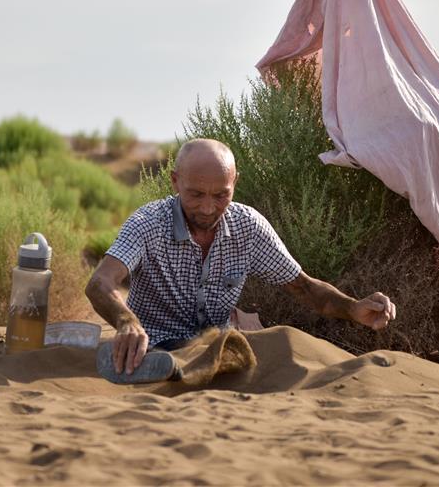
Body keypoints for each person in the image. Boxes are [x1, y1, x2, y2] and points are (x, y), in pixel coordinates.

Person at [85, 138, 397, 379]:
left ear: (235, 183)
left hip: (219, 349)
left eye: (221, 195)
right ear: (175, 181)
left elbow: (305, 288)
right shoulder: (148, 222)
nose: (208, 208)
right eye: (196, 194)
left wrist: (353, 308)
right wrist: (127, 323)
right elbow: (100, 282)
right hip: (154, 347)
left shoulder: (248, 226)